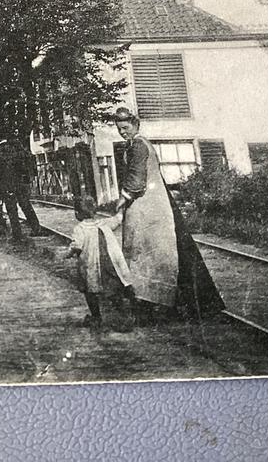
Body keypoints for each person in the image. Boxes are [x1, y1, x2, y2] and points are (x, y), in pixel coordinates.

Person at [113, 107, 224, 323]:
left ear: (135, 125)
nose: (122, 132)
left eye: (125, 128)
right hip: (156, 204)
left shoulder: (138, 145)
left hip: (148, 207)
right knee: (166, 253)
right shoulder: (141, 144)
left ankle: (152, 306)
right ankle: (172, 305)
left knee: (147, 254)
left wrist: (123, 198)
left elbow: (136, 179)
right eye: (119, 129)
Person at [66, 195, 135, 330]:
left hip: (92, 266)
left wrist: (68, 254)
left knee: (90, 292)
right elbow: (118, 219)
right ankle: (123, 318)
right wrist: (121, 208)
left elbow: (76, 246)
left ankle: (96, 317)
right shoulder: (105, 223)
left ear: (77, 213)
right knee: (114, 291)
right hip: (110, 265)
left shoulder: (80, 228)